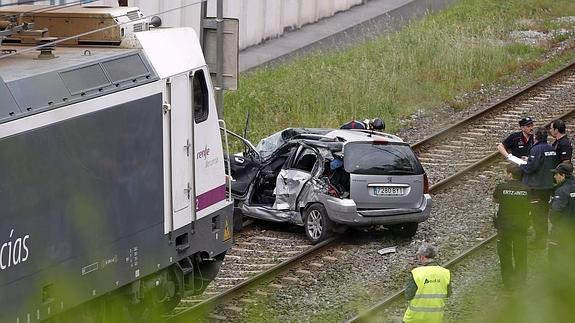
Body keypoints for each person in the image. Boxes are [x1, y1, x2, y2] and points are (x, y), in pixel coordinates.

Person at [492, 164, 530, 290]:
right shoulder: (526, 189)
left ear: (510, 174)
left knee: (505, 255)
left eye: (505, 173)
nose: (504, 175)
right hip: (521, 226)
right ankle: (520, 282)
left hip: (505, 227)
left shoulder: (501, 187)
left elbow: (495, 200)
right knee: (521, 254)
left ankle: (508, 283)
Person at [520, 127, 558, 248]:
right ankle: (543, 237)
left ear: (535, 137)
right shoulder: (551, 148)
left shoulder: (535, 149)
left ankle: (540, 241)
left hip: (536, 187)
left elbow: (532, 167)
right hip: (547, 186)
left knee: (538, 215)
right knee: (544, 212)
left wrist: (522, 164)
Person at [403, 243, 451, 323]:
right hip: (436, 319)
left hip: (414, 319)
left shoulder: (416, 273)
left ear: (422, 257)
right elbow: (448, 293)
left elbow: (408, 295)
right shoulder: (445, 273)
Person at [548, 163, 575, 264]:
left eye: (556, 174)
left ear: (563, 175)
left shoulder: (562, 191)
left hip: (562, 231)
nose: (554, 177)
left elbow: (555, 211)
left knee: (556, 258)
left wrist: (554, 222)